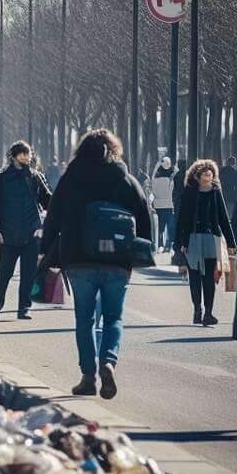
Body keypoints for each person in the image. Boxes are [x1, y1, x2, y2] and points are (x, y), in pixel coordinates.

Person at [40, 128, 152, 399]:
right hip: (117, 260)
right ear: (114, 150)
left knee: (84, 319)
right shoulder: (125, 179)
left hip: (78, 259)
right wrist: (140, 250)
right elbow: (144, 217)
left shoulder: (71, 178)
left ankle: (88, 377)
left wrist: (45, 251)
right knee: (114, 317)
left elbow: (53, 216)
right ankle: (108, 363)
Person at [0, 141, 51, 320]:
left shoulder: (35, 177)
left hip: (31, 232)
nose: (26, 157)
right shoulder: (2, 178)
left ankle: (24, 308)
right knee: (4, 273)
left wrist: (46, 226)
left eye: (27, 154)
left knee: (28, 273)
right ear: (14, 155)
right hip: (8, 233)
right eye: (22, 153)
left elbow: (48, 201)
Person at [177, 159, 236, 326]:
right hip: (192, 239)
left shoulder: (216, 192)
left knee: (210, 278)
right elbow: (182, 219)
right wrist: (179, 243)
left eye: (210, 172)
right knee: (194, 277)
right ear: (197, 175)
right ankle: (197, 309)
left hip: (211, 239)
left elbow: (223, 218)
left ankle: (208, 313)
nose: (208, 175)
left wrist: (231, 242)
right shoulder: (189, 192)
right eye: (204, 172)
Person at [151, 156, 175, 251]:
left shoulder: (155, 179)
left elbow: (152, 177)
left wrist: (158, 163)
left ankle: (159, 243)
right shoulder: (171, 179)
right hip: (169, 205)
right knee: (169, 226)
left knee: (160, 226)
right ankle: (168, 245)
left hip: (158, 205)